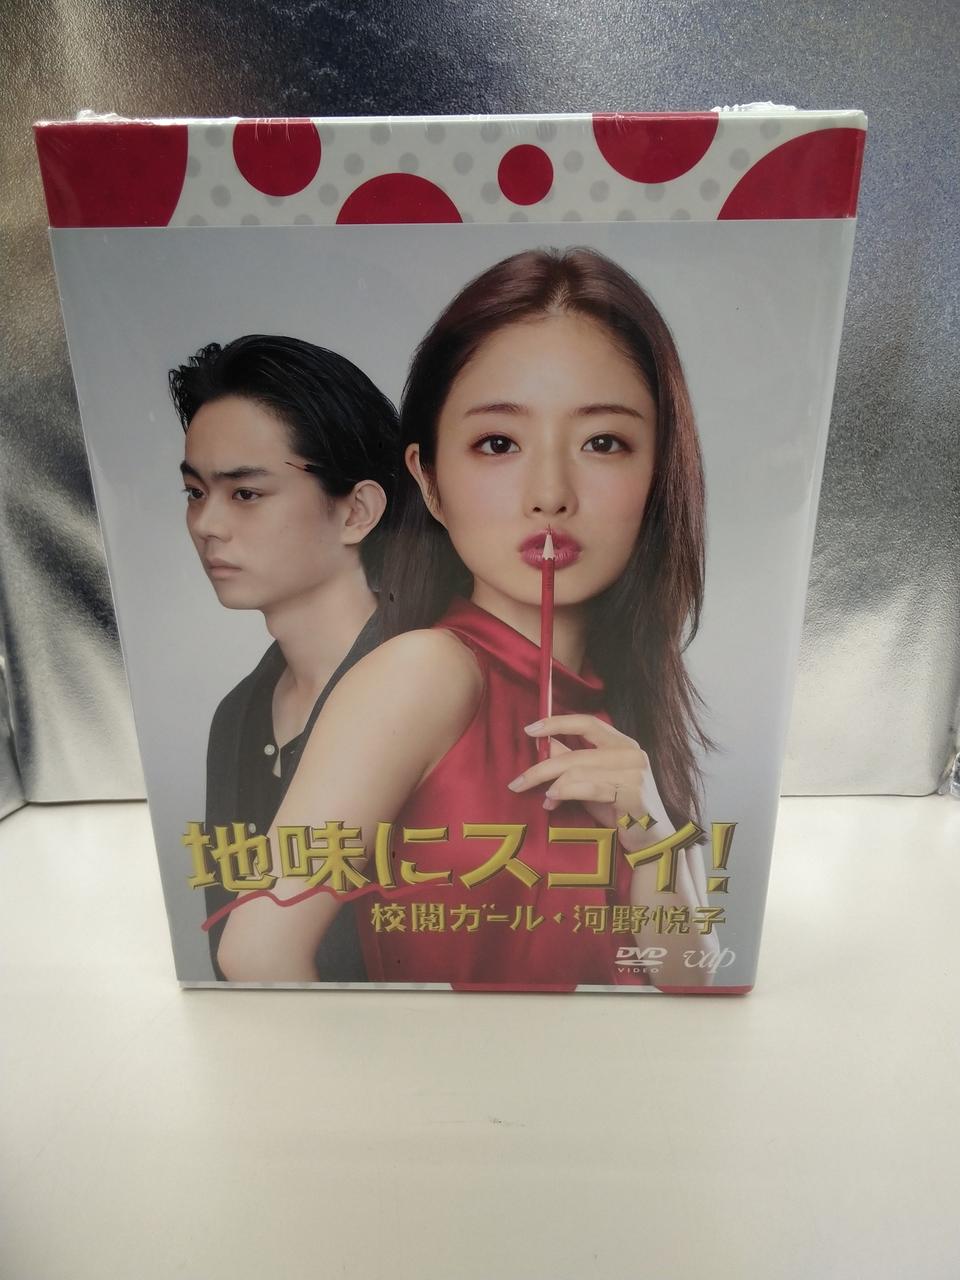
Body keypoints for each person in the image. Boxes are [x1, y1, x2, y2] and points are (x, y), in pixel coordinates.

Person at [217, 250, 719, 991]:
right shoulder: (423, 676)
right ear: (429, 482)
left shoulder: (630, 713)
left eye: (603, 442)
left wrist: (649, 829)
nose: (550, 494)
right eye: (498, 444)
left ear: (660, 473)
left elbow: (697, 982)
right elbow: (255, 955)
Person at [169, 334, 398, 979]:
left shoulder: (428, 675)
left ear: (356, 511)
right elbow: (231, 954)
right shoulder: (237, 716)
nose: (206, 525)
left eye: (245, 493)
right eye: (194, 492)